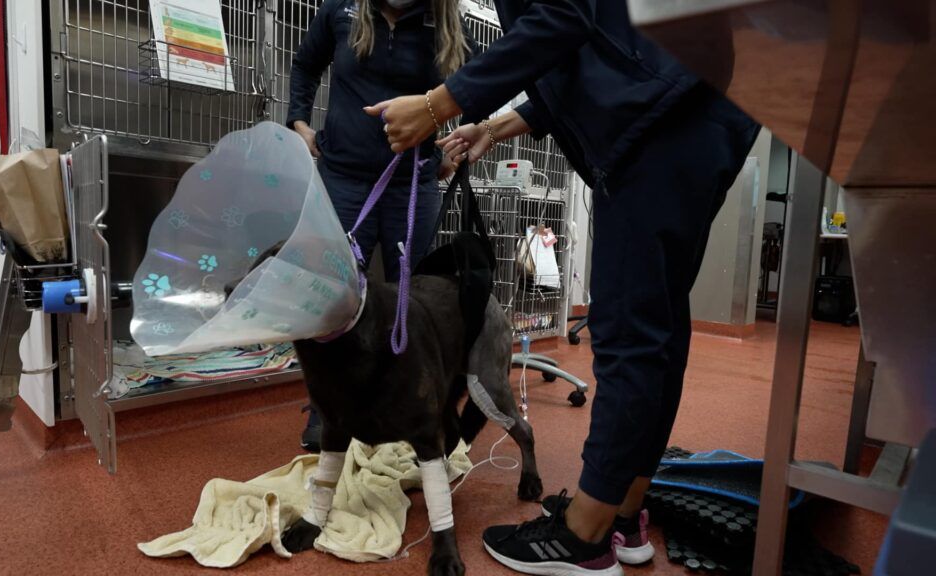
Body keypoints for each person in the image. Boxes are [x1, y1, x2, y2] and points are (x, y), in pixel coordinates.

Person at [367, 0, 760, 574]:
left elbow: (566, 14)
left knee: (629, 335)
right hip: (691, 105)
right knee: (659, 327)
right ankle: (623, 512)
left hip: (657, 120)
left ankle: (584, 536)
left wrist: (438, 105)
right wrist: (493, 127)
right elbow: (584, 51)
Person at [286, 0, 477, 452]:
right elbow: (306, 64)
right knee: (332, 297)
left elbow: (477, 86)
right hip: (344, 176)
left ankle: (414, 406)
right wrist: (298, 122)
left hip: (412, 182)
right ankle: (326, 412)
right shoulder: (341, 9)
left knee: (412, 299)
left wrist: (455, 144)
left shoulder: (447, 22)